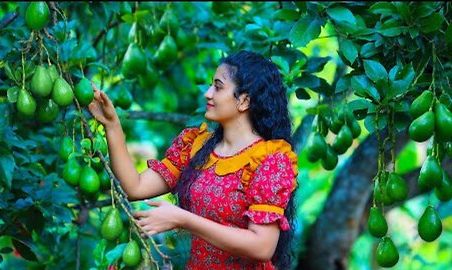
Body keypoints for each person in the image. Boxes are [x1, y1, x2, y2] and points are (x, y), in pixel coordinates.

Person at [88, 50, 298, 270]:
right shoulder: (198, 146)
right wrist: (112, 125)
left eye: (217, 87)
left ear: (244, 101)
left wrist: (183, 219)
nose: (207, 94)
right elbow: (135, 187)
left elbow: (262, 247)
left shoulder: (270, 160)